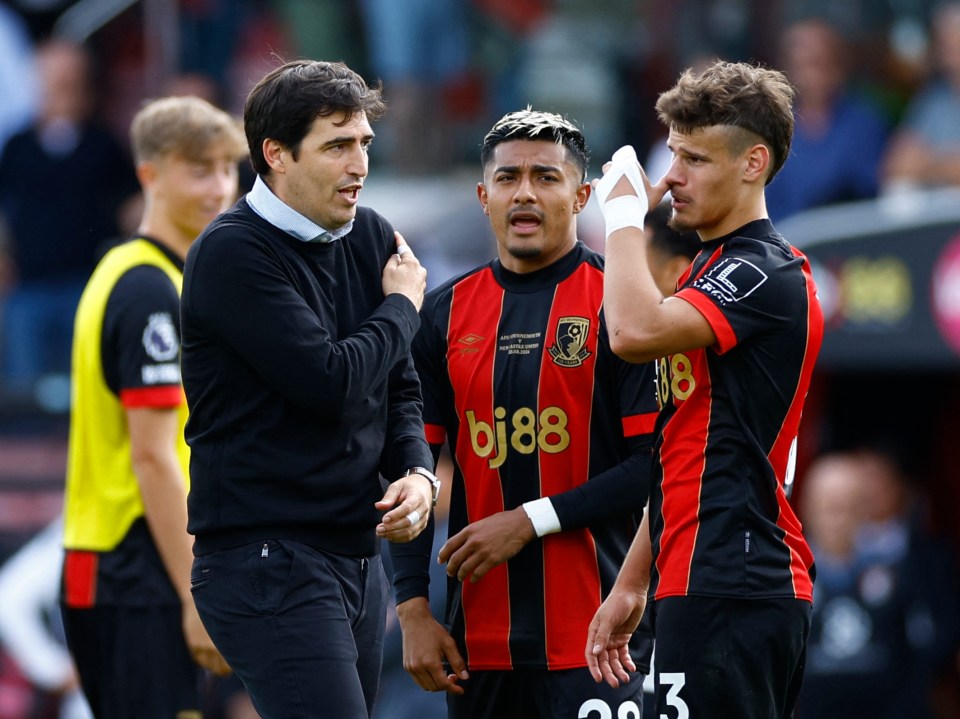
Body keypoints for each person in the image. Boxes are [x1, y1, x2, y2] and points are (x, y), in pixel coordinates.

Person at [179, 59, 437, 718]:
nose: (359, 164)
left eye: (364, 145)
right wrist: (404, 306)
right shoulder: (232, 253)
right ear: (276, 155)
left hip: (353, 557)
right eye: (336, 145)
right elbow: (332, 383)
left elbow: (400, 388)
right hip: (265, 559)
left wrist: (416, 472)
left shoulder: (372, 235)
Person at [389, 108, 657, 719]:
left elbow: (656, 466)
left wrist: (529, 519)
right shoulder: (442, 315)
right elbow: (408, 468)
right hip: (477, 643)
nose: (525, 192)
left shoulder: (623, 308)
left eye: (546, 176)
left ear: (582, 194)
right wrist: (411, 608)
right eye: (508, 178)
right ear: (484, 196)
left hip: (598, 637)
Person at [585, 60, 824, 719]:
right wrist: (633, 580)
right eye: (673, 154)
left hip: (737, 575)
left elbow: (628, 330)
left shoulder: (764, 270)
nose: (675, 177)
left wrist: (627, 214)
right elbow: (678, 444)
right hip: (696, 571)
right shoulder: (713, 267)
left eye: (694, 159)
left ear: (752, 163)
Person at [60, 95, 246, 717]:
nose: (219, 186)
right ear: (149, 175)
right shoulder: (148, 292)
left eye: (227, 168)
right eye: (199, 169)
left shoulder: (137, 272)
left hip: (124, 563)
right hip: (135, 564)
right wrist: (196, 597)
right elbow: (153, 457)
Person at [0, 39, 138, 402]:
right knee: (24, 396)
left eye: (70, 78)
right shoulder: (17, 146)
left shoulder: (102, 143)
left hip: (86, 285)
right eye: (54, 79)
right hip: (27, 291)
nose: (63, 88)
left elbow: (132, 207)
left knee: (87, 388)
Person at [765, 17, 890, 221]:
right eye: (802, 65)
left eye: (819, 63)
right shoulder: (769, 129)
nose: (811, 75)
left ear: (838, 66)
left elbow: (870, 193)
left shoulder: (864, 123)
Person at [882, 1, 960, 191]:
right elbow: (895, 166)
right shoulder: (935, 101)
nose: (949, 58)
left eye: (955, 47)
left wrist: (928, 163)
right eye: (945, 48)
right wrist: (947, 164)